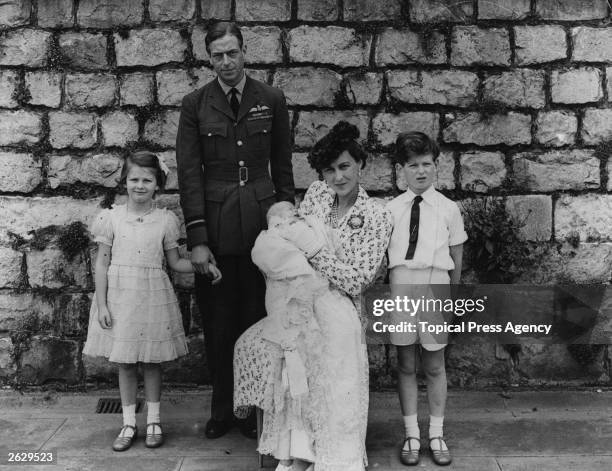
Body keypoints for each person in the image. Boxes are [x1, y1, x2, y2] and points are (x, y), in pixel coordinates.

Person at [234, 122, 393, 471]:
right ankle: (299, 453)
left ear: (360, 164)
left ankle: (331, 456)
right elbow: (288, 240)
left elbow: (358, 280)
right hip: (301, 303)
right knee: (299, 384)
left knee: (332, 391)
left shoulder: (377, 215)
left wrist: (315, 251)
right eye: (329, 170)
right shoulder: (318, 196)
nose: (337, 177)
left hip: (341, 308)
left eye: (344, 167)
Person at [175, 21, 294, 439]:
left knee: (258, 316)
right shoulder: (195, 104)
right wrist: (198, 241)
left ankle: (252, 409)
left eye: (232, 53)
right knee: (219, 321)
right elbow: (190, 174)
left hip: (262, 226)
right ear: (208, 59)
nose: (226, 62)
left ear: (245, 52)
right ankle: (223, 409)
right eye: (217, 56)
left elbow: (282, 168)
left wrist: (286, 226)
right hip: (218, 224)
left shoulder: (271, 99)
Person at [83, 151, 222, 452]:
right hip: (121, 298)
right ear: (124, 182)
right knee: (126, 363)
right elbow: (102, 264)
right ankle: (129, 422)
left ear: (158, 185)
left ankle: (155, 421)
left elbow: (175, 262)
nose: (140, 185)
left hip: (151, 296)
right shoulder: (112, 218)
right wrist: (103, 304)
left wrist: (203, 265)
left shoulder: (165, 220)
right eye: (134, 179)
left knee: (151, 362)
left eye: (147, 180)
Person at [386, 132, 467, 466]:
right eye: (413, 165)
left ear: (437, 166)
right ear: (401, 170)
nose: (421, 171)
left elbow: (457, 259)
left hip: (436, 285)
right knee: (405, 364)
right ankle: (411, 433)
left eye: (427, 164)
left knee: (434, 364)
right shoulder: (389, 210)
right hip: (402, 285)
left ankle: (436, 433)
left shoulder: (449, 209)